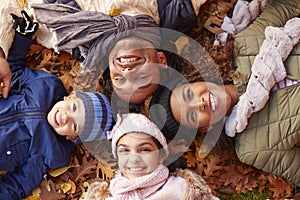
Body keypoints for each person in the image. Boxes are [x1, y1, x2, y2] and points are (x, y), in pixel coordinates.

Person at [149, 0, 300, 186]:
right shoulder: (254, 148)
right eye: (191, 115)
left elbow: (288, 5)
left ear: (196, 80)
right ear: (205, 128)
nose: (199, 103)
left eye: (189, 94)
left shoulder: (244, 43)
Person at [0, 0, 208, 104]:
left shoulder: (66, 35)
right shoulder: (177, 11)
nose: (127, 72)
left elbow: (14, 7)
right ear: (161, 60)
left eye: (120, 79)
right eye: (142, 77)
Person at [0, 11, 114, 199]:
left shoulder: (49, 152)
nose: (66, 116)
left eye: (74, 125)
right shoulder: (45, 86)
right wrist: (22, 39)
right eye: (74, 108)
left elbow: (19, 182)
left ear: (71, 137)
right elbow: (14, 72)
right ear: (70, 97)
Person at [84, 113, 219, 200]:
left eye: (144, 149)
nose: (134, 159)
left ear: (160, 155)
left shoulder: (181, 189)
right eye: (124, 151)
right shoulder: (102, 196)